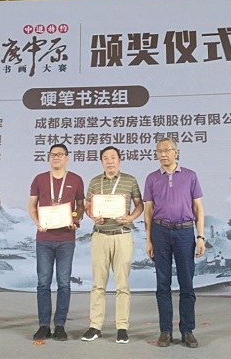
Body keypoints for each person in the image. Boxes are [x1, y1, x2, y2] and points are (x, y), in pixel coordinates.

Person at [143, 138, 206, 348]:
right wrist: (148, 239)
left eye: (167, 150)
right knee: (163, 283)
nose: (163, 154)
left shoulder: (190, 176)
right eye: (159, 151)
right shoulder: (152, 178)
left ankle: (187, 330)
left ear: (176, 152)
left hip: (185, 232)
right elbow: (148, 211)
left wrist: (200, 236)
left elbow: (198, 209)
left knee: (186, 283)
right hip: (160, 232)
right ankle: (165, 331)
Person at [81, 146, 143, 344]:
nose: (110, 161)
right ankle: (95, 326)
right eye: (106, 158)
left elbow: (140, 205)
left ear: (119, 160)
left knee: (122, 284)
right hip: (100, 235)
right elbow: (87, 206)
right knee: (98, 284)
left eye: (113, 157)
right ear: (101, 162)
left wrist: (130, 217)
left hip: (122, 235)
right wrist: (93, 216)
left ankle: (122, 327)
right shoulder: (94, 181)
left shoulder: (130, 180)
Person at [28, 143, 85, 341]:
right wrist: (38, 223)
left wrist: (75, 219)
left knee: (64, 283)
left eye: (60, 154)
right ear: (49, 157)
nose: (56, 157)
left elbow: (80, 206)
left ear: (67, 158)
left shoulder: (76, 179)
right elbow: (32, 206)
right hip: (44, 239)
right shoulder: (40, 179)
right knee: (43, 283)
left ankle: (60, 325)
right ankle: (43, 325)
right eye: (53, 154)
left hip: (66, 239)